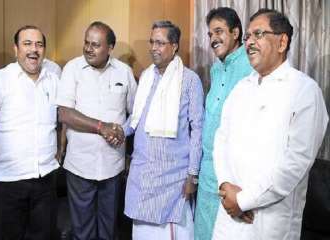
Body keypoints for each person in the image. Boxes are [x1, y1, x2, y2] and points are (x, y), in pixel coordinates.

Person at [211, 9, 329, 240]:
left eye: (258, 34)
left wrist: (244, 201)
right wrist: (226, 186)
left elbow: (296, 162)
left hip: (268, 222)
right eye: (247, 37)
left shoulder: (304, 90)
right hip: (229, 215)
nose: (250, 43)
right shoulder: (241, 88)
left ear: (282, 41)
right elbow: (221, 139)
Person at [0, 25, 60, 239]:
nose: (34, 49)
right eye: (27, 43)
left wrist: (59, 150)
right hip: (10, 181)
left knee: (45, 235)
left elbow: (60, 120)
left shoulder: (54, 80)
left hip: (46, 178)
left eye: (39, 44)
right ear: (15, 49)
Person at [56, 21, 137, 240]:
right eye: (86, 43)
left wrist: (122, 133)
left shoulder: (124, 72)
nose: (88, 49)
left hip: (113, 164)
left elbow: (135, 115)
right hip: (80, 164)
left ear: (110, 48)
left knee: (109, 226)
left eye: (96, 44)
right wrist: (102, 128)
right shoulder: (72, 69)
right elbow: (65, 113)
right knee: (82, 228)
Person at [124, 20, 204, 240]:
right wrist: (119, 131)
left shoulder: (189, 80)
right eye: (152, 42)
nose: (153, 48)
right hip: (142, 175)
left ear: (174, 46)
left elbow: (198, 129)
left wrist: (193, 175)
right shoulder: (146, 77)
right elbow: (136, 119)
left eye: (160, 43)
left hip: (172, 180)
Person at [194, 7, 253, 240]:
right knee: (202, 233)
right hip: (208, 170)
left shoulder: (250, 66)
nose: (213, 39)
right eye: (209, 34)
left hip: (233, 174)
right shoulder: (216, 67)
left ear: (236, 32)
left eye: (219, 31)